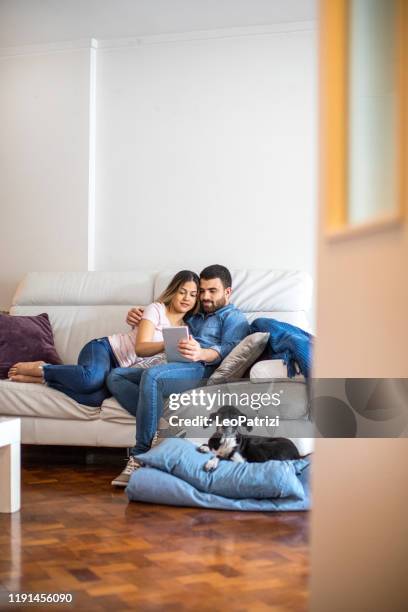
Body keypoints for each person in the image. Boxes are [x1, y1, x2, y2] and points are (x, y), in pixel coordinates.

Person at [107, 264, 250, 487]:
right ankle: (161, 425)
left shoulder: (233, 317)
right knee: (116, 376)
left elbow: (231, 349)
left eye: (212, 291)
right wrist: (137, 314)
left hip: (199, 368)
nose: (205, 297)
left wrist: (201, 352)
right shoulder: (196, 312)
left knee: (153, 376)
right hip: (173, 364)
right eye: (201, 291)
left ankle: (140, 455)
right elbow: (168, 314)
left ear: (227, 292)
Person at [7, 270, 200, 407]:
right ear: (173, 291)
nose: (186, 298)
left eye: (192, 294)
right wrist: (168, 344)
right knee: (91, 379)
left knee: (95, 399)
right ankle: (44, 368)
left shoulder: (185, 329)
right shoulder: (156, 309)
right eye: (182, 292)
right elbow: (141, 348)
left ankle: (44, 380)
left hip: (119, 370)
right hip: (105, 350)